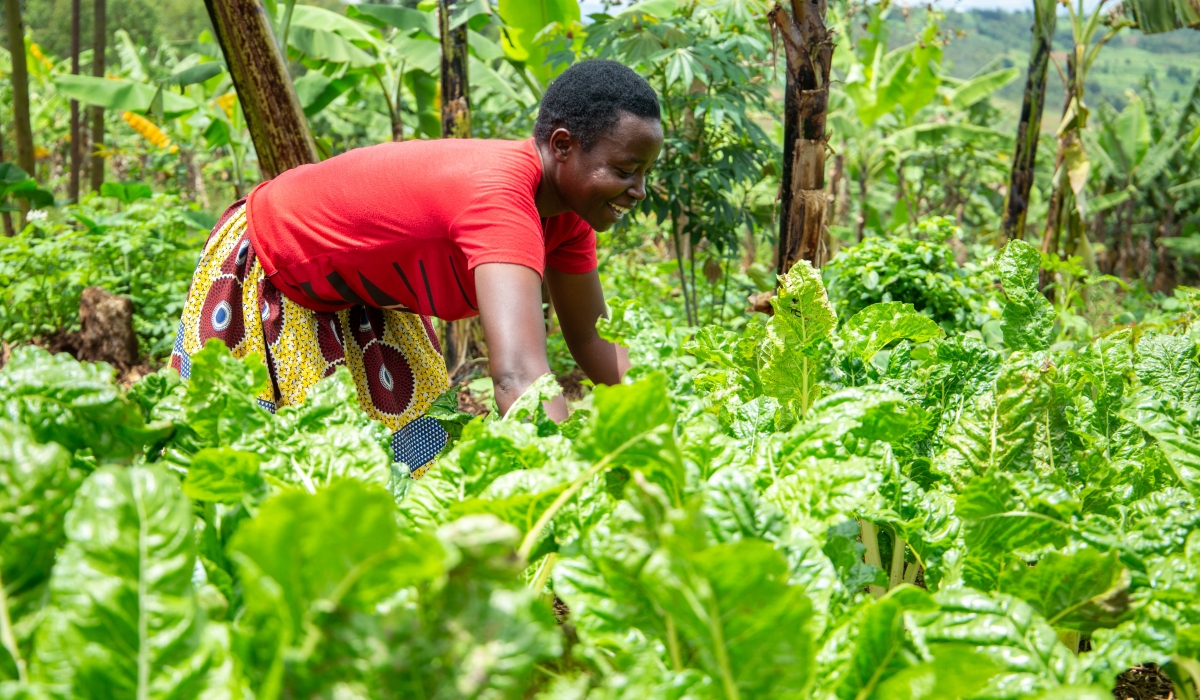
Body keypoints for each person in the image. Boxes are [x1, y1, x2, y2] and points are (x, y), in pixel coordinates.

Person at [170, 59, 664, 477]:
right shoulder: (501, 200)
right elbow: (518, 376)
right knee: (275, 472)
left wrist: (669, 425)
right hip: (274, 261)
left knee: (417, 465)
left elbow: (594, 341)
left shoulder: (567, 220)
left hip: (364, 292)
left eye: (644, 172)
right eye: (623, 171)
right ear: (561, 146)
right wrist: (570, 484)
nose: (639, 191)